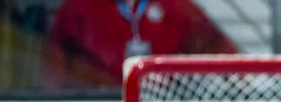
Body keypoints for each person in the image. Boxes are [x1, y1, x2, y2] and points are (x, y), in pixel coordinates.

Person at [43, 0, 236, 89]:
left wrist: (243, 81)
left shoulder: (176, 6)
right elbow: (54, 66)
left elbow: (217, 47)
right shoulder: (79, 8)